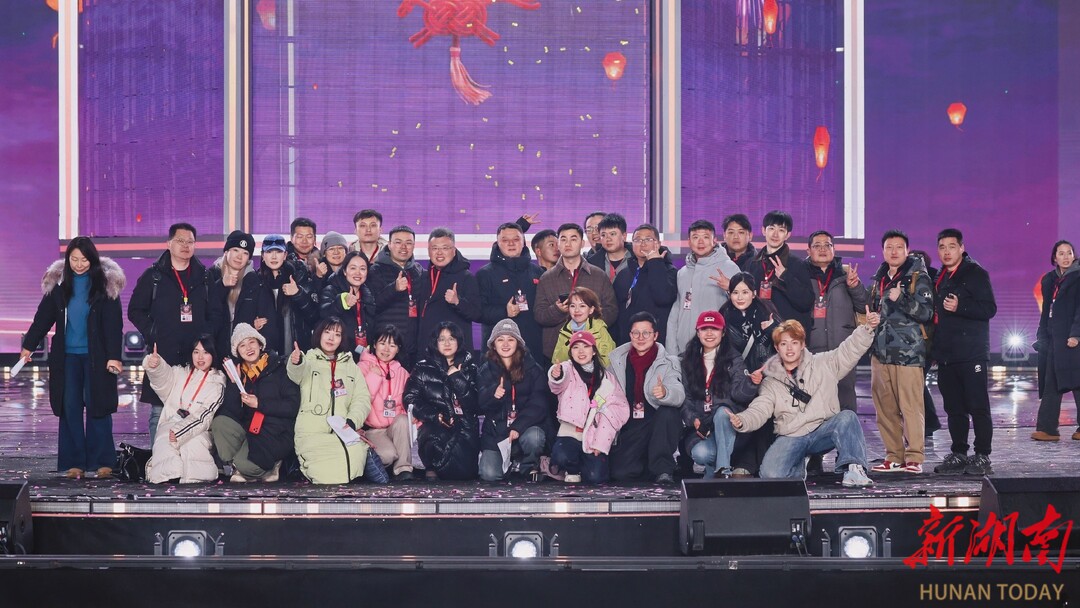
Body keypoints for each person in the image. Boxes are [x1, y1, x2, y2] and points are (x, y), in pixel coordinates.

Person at [724, 314, 880, 487]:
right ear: (777, 348)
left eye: (794, 343)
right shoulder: (771, 381)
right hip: (792, 435)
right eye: (784, 344)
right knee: (771, 474)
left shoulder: (823, 363)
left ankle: (854, 469)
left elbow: (849, 350)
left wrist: (867, 329)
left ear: (802, 344)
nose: (789, 349)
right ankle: (799, 466)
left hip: (822, 431)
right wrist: (742, 420)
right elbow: (760, 409)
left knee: (847, 417)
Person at [22, 237, 124, 479]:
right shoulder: (58, 285)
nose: (79, 264)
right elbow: (42, 319)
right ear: (68, 259)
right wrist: (28, 346)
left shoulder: (105, 285)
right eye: (74, 259)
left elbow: (114, 325)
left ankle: (102, 461)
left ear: (93, 259)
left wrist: (114, 356)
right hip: (66, 358)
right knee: (70, 407)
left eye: (84, 259)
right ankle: (74, 462)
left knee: (98, 406)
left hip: (97, 358)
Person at [128, 222, 209, 448]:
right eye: (180, 241)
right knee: (159, 412)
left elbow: (213, 312)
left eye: (190, 241)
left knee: (193, 410)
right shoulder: (153, 276)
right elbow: (135, 310)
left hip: (194, 356)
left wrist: (205, 341)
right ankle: (159, 459)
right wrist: (152, 331)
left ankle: (187, 460)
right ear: (169, 243)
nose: (185, 246)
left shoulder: (204, 277)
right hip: (163, 352)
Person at [929, 229, 997, 476]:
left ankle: (982, 455)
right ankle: (959, 453)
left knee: (978, 406)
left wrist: (961, 306)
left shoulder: (975, 273)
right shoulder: (941, 277)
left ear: (961, 248)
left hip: (971, 354)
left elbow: (989, 309)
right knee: (954, 408)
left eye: (951, 246)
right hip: (947, 355)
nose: (946, 252)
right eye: (942, 247)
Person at [868, 230, 934, 474]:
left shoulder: (918, 277)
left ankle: (914, 457)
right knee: (885, 408)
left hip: (908, 353)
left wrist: (902, 299)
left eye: (898, 247)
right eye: (889, 247)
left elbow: (927, 313)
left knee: (911, 407)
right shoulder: (879, 278)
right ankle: (894, 456)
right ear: (883, 251)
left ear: (907, 250)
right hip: (880, 353)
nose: (893, 251)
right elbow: (875, 309)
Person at [287, 317, 378, 484]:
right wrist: (296, 361)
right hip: (312, 433)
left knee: (354, 459)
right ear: (319, 334)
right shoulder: (308, 360)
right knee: (325, 475)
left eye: (337, 334)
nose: (331, 338)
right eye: (327, 332)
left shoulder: (351, 366)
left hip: (344, 432)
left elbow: (362, 399)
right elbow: (295, 374)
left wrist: (352, 421)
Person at [212, 323, 300, 483]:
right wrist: (234, 384)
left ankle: (263, 466)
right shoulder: (241, 373)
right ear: (238, 352)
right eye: (242, 345)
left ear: (260, 344)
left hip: (276, 432)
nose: (248, 348)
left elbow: (292, 406)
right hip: (252, 433)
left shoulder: (279, 368)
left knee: (245, 465)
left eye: (252, 342)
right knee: (220, 423)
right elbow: (231, 413)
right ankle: (246, 467)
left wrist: (260, 403)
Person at [607, 312, 686, 484]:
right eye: (636, 333)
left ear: (655, 335)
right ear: (630, 335)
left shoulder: (668, 362)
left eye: (646, 333)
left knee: (668, 412)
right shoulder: (617, 361)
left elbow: (679, 394)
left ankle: (663, 469)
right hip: (630, 425)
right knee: (621, 473)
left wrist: (665, 392)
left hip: (656, 423)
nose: (641, 337)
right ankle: (647, 465)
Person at [679, 312, 758, 477]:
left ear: (723, 333)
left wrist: (751, 384)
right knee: (701, 453)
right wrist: (694, 420)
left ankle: (723, 470)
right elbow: (686, 398)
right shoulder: (687, 360)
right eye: (704, 329)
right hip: (702, 428)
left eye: (714, 329)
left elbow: (740, 395)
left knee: (723, 412)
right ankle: (718, 470)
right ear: (698, 332)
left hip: (729, 425)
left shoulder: (734, 358)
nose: (709, 333)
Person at [718, 272, 781, 476]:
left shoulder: (766, 310)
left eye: (745, 292)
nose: (740, 297)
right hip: (737, 376)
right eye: (735, 292)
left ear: (754, 293)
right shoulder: (724, 314)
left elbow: (784, 340)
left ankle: (764, 463)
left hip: (766, 374)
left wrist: (771, 329)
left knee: (764, 416)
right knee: (741, 415)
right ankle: (742, 463)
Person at [548, 331, 630, 484]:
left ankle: (585, 466)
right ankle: (572, 469)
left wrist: (601, 442)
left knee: (595, 477)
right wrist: (556, 375)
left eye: (585, 346)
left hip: (595, 434)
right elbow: (557, 384)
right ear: (571, 352)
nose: (581, 351)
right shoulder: (567, 369)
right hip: (571, 432)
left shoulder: (607, 378)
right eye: (576, 347)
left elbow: (620, 409)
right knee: (562, 456)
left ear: (594, 351)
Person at [142, 335, 225, 484]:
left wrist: (180, 432)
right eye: (196, 352)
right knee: (164, 438)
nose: (200, 357)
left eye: (206, 352)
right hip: (171, 424)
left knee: (193, 444)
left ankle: (192, 479)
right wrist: (156, 365)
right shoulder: (180, 373)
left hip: (200, 430)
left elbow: (204, 416)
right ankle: (170, 477)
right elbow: (163, 380)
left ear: (213, 355)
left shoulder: (217, 383)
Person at [404, 322, 481, 480]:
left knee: (465, 474)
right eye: (442, 339)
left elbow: (476, 404)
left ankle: (447, 469)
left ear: (458, 341)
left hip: (464, 425)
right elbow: (410, 399)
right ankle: (432, 467)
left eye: (451, 338)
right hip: (435, 424)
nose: (447, 343)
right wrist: (435, 416)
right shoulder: (422, 368)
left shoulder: (471, 368)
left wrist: (457, 378)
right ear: (435, 342)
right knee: (434, 439)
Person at [476, 319, 551, 482]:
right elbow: (479, 404)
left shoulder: (533, 369)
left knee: (534, 437)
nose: (505, 344)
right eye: (500, 339)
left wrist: (518, 426)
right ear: (493, 344)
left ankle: (529, 465)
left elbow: (539, 404)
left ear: (518, 343)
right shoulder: (485, 369)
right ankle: (508, 464)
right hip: (496, 433)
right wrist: (493, 395)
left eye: (510, 339)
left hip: (524, 428)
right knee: (489, 474)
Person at [535, 223, 618, 360]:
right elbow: (539, 314)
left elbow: (612, 310)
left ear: (582, 243)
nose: (568, 244)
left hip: (593, 351)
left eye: (573, 239)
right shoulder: (546, 278)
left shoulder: (598, 275)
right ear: (558, 244)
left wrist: (587, 323)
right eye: (563, 239)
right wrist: (557, 310)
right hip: (557, 353)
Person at [805, 230, 868, 412]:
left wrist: (855, 287)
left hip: (843, 348)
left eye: (828, 245)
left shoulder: (845, 274)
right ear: (809, 250)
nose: (823, 249)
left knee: (845, 399)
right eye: (817, 245)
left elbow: (864, 306)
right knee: (814, 403)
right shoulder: (800, 276)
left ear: (834, 249)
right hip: (812, 350)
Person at [666, 219, 741, 357]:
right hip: (684, 349)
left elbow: (744, 307)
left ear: (714, 240)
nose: (700, 242)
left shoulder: (729, 268)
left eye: (706, 237)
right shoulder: (682, 273)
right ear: (689, 241)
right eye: (695, 237)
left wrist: (731, 289)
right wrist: (671, 351)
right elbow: (675, 313)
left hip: (717, 350)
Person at [1032, 240, 1080, 442]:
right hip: (1054, 338)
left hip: (1073, 339)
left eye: (1069, 253)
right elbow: (1046, 310)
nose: (1066, 257)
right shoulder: (1049, 279)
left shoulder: (1078, 276)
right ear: (1054, 257)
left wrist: (1076, 334)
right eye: (1061, 253)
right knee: (1051, 382)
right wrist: (1041, 335)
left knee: (1078, 382)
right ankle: (1047, 429)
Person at [478, 222, 546, 364]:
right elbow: (478, 312)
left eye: (516, 239)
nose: (511, 244)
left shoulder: (538, 272)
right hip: (497, 355)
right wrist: (504, 312)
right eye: (505, 240)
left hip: (533, 352)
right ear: (497, 243)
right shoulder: (485, 274)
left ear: (524, 242)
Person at [208, 230, 277, 358]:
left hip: (244, 355)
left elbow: (267, 322)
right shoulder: (210, 277)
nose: (239, 257)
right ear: (226, 252)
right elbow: (205, 310)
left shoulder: (256, 282)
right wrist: (221, 285)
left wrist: (254, 328)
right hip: (212, 351)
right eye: (235, 250)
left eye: (245, 253)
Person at [358, 325, 415, 481]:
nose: (386, 349)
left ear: (398, 349)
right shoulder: (362, 367)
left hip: (394, 428)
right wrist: (374, 377)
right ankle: (382, 459)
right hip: (373, 430)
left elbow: (409, 403)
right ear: (374, 344)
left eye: (392, 345)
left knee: (403, 420)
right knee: (387, 456)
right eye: (382, 343)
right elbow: (360, 401)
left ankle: (403, 468)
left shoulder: (402, 372)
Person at [414, 227, 482, 353]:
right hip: (428, 349)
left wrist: (458, 302)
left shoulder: (466, 277)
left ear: (454, 251)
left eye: (445, 248)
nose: (439, 253)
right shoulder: (423, 277)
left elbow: (477, 314)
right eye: (435, 248)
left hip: (456, 352)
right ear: (428, 251)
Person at [612, 224, 678, 346]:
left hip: (656, 341)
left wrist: (655, 262)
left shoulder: (669, 271)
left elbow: (663, 297)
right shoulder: (624, 273)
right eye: (637, 240)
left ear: (658, 243)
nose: (642, 244)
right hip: (627, 342)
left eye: (648, 239)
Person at [368, 225, 424, 368]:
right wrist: (394, 289)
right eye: (398, 242)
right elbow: (371, 306)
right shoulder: (375, 270)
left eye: (408, 243)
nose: (403, 247)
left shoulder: (418, 271)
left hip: (411, 347)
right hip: (385, 346)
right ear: (389, 244)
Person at [748, 210, 815, 331]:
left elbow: (807, 302)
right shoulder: (753, 264)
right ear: (763, 230)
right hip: (760, 331)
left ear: (787, 235)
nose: (775, 234)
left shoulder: (797, 264)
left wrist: (785, 276)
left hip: (787, 334)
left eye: (781, 230)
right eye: (771, 228)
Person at [256, 234, 320, 354]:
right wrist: (253, 324)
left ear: (285, 255)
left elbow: (314, 317)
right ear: (263, 256)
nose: (274, 256)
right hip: (267, 354)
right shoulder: (256, 281)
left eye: (278, 252)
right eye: (269, 252)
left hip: (297, 351)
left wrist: (298, 293)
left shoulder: (299, 276)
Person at [319, 251, 376, 354]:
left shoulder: (368, 294)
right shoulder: (331, 290)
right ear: (344, 271)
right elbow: (323, 314)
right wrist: (342, 302)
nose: (358, 273)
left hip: (363, 355)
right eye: (353, 268)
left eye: (362, 269)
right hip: (340, 355)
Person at [551, 286, 616, 366]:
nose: (576, 310)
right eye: (572, 306)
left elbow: (608, 361)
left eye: (582, 306)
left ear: (591, 309)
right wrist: (570, 343)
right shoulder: (565, 331)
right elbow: (557, 362)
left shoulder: (599, 328)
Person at [585, 213, 632, 282]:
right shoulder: (591, 264)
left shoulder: (637, 258)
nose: (608, 239)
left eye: (612, 234)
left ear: (624, 236)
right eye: (603, 235)